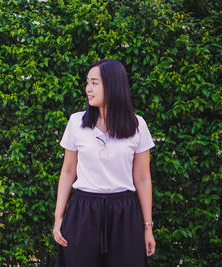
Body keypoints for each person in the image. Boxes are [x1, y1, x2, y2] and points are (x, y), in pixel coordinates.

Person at [53, 59, 156, 266]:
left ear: (112, 85)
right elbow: (68, 171)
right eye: (87, 83)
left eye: (94, 83)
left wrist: (148, 227)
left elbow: (143, 178)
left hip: (124, 214)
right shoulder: (76, 122)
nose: (87, 89)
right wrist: (58, 217)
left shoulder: (137, 125)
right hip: (83, 212)